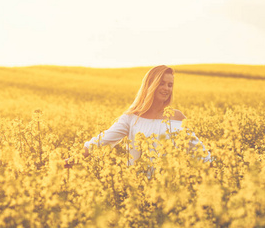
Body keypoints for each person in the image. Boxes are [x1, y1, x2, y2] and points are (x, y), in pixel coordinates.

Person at [64, 65, 211, 168]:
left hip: (174, 189)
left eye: (170, 85)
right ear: (150, 85)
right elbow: (102, 141)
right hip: (140, 189)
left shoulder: (177, 117)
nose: (166, 88)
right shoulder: (131, 118)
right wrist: (71, 160)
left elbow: (199, 152)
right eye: (162, 83)